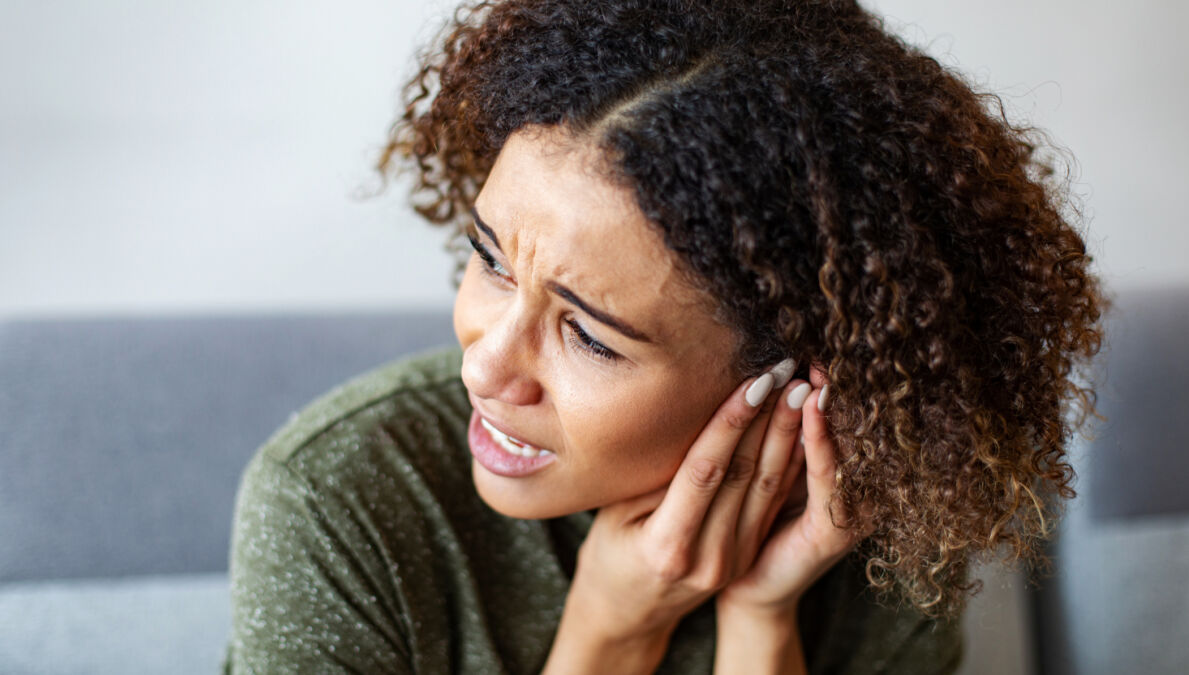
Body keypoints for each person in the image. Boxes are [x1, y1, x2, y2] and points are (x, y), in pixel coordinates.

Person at [224, 0, 1106, 672]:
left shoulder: (872, 528)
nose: (486, 364)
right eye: (491, 261)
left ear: (791, 375)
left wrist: (762, 623)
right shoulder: (339, 502)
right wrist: (611, 630)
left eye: (591, 338)